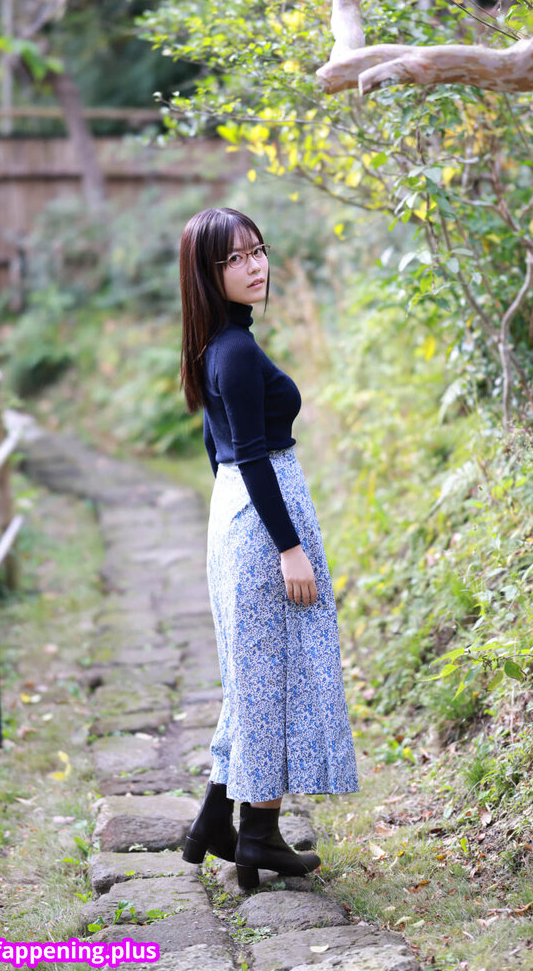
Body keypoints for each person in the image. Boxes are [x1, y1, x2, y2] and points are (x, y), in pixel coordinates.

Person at [177, 207, 359, 890]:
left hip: (237, 512)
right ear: (208, 272)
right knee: (271, 678)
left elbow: (215, 442)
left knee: (254, 677)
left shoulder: (217, 344)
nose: (255, 267)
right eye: (236, 258)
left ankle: (219, 823)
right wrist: (288, 547)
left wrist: (236, 519)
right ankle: (254, 832)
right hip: (261, 518)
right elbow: (251, 453)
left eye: (258, 251)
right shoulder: (234, 351)